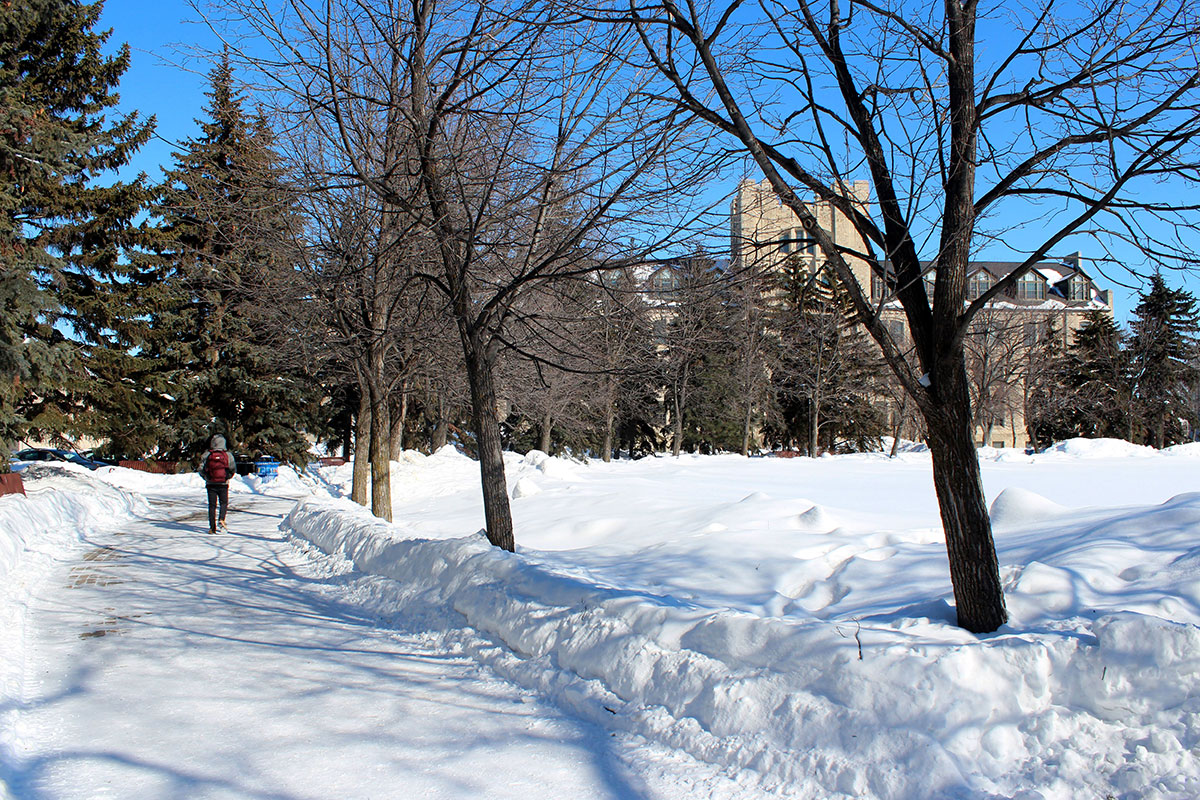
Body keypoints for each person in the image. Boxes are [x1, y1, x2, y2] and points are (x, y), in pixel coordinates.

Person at [198, 435, 236, 533]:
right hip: (223, 483)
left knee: (212, 505)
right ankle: (221, 519)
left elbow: (200, 468)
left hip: (211, 484)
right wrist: (227, 477)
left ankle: (212, 527)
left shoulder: (207, 454)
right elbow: (233, 468)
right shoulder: (228, 455)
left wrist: (206, 477)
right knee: (223, 503)